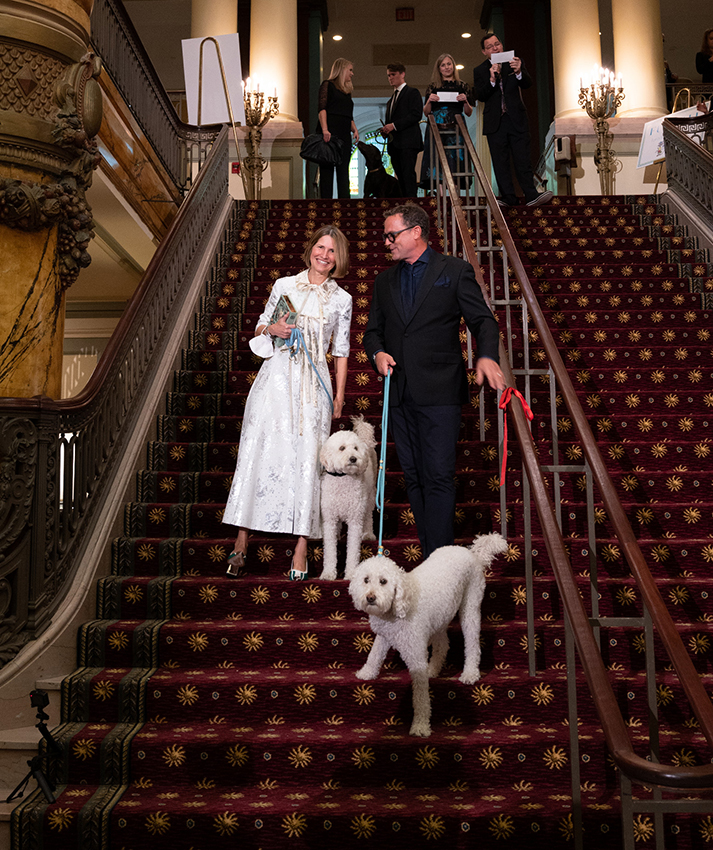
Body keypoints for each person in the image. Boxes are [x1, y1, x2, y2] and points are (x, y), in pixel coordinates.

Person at [363, 203, 506, 558]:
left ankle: (441, 561)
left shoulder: (454, 271)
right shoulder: (384, 280)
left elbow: (483, 321)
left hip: (440, 390)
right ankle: (431, 559)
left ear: (416, 232)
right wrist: (377, 353)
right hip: (399, 392)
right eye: (385, 236)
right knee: (414, 477)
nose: (386, 242)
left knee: (439, 476)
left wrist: (486, 355)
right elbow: (372, 333)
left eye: (391, 235)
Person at [223, 226, 353, 580]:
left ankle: (301, 547)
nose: (324, 255)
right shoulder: (284, 286)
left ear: (339, 259)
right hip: (276, 380)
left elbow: (340, 351)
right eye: (320, 247)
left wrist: (340, 395)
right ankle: (241, 541)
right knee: (259, 451)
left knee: (308, 461)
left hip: (314, 387)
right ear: (310, 249)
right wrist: (272, 330)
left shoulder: (341, 300)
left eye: (332, 251)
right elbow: (261, 328)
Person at [473, 32, 552, 208]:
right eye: (490, 47)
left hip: (516, 119)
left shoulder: (514, 61)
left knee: (522, 158)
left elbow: (527, 83)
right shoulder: (479, 70)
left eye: (497, 44)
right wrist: (492, 79)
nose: (495, 48)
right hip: (495, 123)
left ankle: (531, 194)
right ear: (484, 52)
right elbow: (480, 95)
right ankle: (508, 197)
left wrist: (518, 72)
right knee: (500, 162)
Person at [420, 53, 474, 190]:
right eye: (443, 65)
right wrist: (429, 101)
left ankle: (455, 200)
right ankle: (441, 197)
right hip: (436, 125)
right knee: (437, 158)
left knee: (455, 158)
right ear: (439, 68)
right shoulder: (433, 87)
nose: (446, 67)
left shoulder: (463, 86)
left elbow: (468, 112)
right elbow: (426, 112)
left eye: (449, 64)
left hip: (456, 125)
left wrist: (465, 101)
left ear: (453, 66)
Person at [317, 58, 359, 199]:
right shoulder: (327, 85)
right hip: (329, 133)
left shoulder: (347, 91)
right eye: (350, 70)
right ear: (342, 70)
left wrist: (355, 129)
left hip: (344, 134)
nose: (352, 74)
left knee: (343, 170)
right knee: (327, 170)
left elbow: (348, 114)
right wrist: (325, 129)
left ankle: (345, 204)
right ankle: (326, 204)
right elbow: (322, 109)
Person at [380, 63, 423, 196]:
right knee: (400, 175)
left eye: (393, 74)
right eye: (388, 75)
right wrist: (386, 130)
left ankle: (411, 204)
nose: (390, 78)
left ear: (402, 74)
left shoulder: (412, 92)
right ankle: (405, 203)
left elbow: (416, 115)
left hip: (408, 142)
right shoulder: (390, 100)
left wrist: (394, 125)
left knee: (408, 174)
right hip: (395, 144)